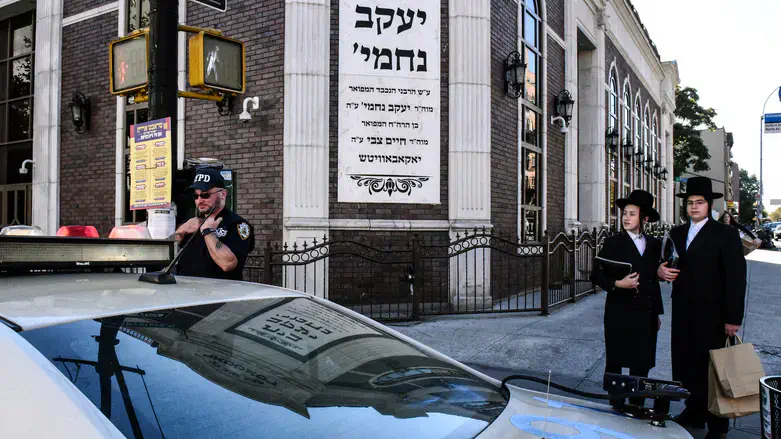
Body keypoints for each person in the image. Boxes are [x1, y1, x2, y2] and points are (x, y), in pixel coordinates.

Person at [658, 176, 747, 439]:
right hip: (684, 312)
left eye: (699, 202)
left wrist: (733, 318)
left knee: (712, 369)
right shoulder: (676, 233)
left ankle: (718, 426)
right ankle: (693, 411)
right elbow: (664, 262)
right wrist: (660, 271)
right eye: (690, 202)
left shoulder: (726, 234)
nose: (694, 207)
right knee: (686, 364)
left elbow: (736, 278)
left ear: (709, 205)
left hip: (714, 314)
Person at [591, 190, 664, 408]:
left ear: (645, 218)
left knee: (641, 361)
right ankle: (616, 403)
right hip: (619, 310)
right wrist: (618, 284)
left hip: (645, 311)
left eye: (632, 213)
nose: (626, 217)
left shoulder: (653, 245)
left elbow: (653, 281)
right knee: (615, 359)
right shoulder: (614, 243)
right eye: (624, 213)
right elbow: (595, 274)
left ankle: (636, 404)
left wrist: (657, 313)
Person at [174, 167, 255, 280]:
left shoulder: (237, 224)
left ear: (223, 194)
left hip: (218, 294)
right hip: (188, 291)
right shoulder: (190, 222)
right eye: (195, 196)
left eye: (205, 195)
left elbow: (228, 264)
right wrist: (181, 231)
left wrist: (208, 232)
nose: (199, 200)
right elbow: (166, 254)